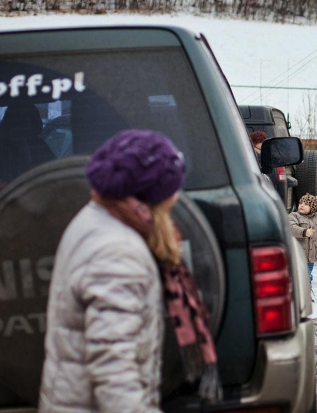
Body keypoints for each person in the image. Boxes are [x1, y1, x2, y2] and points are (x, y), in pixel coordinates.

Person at [39, 130, 221, 413]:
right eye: (170, 192)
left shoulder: (95, 219)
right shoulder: (117, 252)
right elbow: (114, 372)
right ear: (148, 198)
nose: (175, 198)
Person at [289, 193, 317, 288]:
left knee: (306, 276)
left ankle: (307, 292)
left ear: (312, 207)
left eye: (306, 204)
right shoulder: (293, 215)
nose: (302, 205)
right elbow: (291, 227)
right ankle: (301, 296)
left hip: (310, 256)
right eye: (301, 203)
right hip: (297, 255)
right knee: (300, 277)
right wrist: (304, 232)